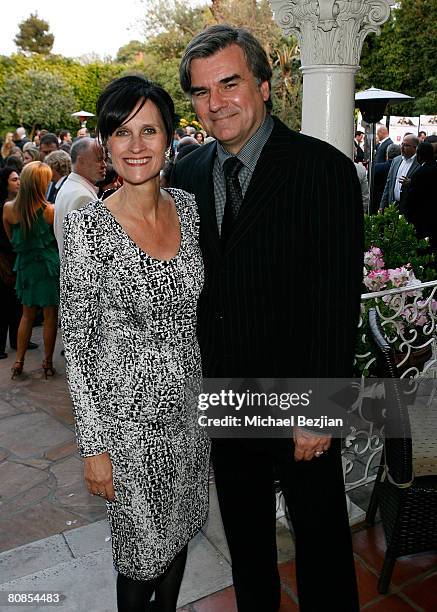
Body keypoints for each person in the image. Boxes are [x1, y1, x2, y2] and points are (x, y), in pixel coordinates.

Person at [172, 24, 362, 612]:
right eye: (202, 92)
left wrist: (321, 410)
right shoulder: (189, 174)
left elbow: (337, 301)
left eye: (229, 83)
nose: (216, 102)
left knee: (323, 549)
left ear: (264, 84)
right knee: (248, 550)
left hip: (298, 397)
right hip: (227, 400)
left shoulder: (322, 170)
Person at [61, 75, 210, 612]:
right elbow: (76, 347)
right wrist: (94, 447)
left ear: (170, 137)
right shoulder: (87, 229)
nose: (137, 145)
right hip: (129, 431)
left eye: (149, 130)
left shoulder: (190, 212)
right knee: (140, 561)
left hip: (189, 418)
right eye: (122, 132)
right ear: (105, 144)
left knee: (177, 541)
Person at [2, 162, 59, 379]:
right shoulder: (49, 210)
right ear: (41, 183)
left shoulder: (8, 208)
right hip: (47, 267)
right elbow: (57, 241)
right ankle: (46, 362)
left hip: (25, 266)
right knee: (50, 316)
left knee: (26, 316)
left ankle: (19, 361)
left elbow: (12, 240)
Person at [54, 137, 106, 258]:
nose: (104, 165)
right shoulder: (82, 197)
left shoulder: (70, 186)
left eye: (104, 159)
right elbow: (90, 251)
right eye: (99, 160)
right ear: (81, 161)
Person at [379, 134, 420, 214]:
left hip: (409, 209)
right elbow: (388, 184)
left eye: (406, 145)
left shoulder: (419, 163)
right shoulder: (396, 160)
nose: (402, 147)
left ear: (415, 147)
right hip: (393, 206)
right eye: (402, 144)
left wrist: (410, 183)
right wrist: (382, 205)